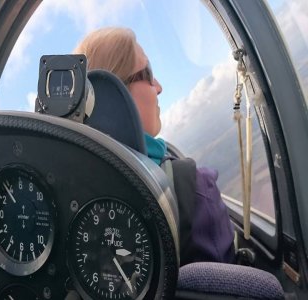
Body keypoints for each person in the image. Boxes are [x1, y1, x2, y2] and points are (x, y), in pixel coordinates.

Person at [74, 27, 235, 266]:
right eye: (147, 73)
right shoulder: (194, 189)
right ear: (115, 92)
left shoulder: (73, 192)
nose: (158, 86)